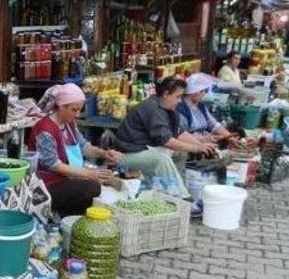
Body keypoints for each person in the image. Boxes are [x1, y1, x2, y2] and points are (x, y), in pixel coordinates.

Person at [27, 83, 123, 217]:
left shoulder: (69, 123)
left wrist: (104, 153)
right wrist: (87, 174)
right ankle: (65, 215)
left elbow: (84, 146)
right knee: (92, 187)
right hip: (46, 184)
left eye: (79, 110)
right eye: (74, 110)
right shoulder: (45, 129)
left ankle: (69, 213)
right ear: (61, 106)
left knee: (104, 179)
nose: (77, 114)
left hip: (67, 176)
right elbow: (52, 164)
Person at [112, 76, 216, 198]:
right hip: (124, 155)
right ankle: (179, 196)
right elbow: (166, 141)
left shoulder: (168, 108)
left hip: (142, 150)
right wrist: (196, 148)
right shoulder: (152, 108)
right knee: (161, 159)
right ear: (166, 94)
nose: (180, 101)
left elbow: (179, 133)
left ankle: (169, 190)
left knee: (180, 153)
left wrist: (201, 145)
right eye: (178, 97)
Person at [176, 74, 239, 147]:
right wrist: (202, 140)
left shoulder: (200, 106)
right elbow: (182, 134)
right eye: (201, 91)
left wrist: (230, 137)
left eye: (205, 91)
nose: (204, 94)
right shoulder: (181, 108)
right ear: (192, 91)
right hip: (190, 145)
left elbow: (214, 125)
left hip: (205, 144)